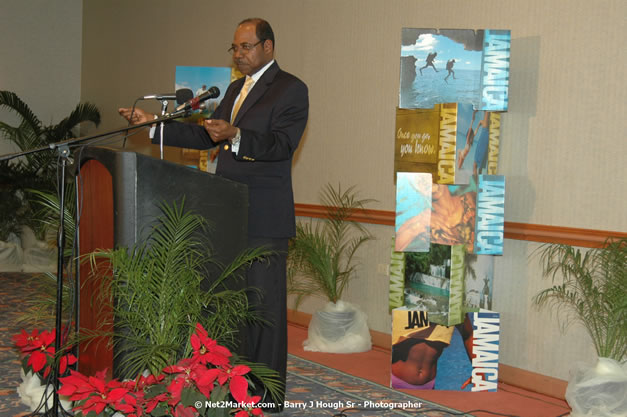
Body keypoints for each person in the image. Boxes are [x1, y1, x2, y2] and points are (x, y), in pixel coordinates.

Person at [118, 17, 309, 406]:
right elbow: (207, 134)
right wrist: (154, 127)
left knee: (263, 307)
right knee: (232, 305)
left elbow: (281, 145)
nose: (238, 55)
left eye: (246, 47)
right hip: (229, 210)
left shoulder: (290, 89)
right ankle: (234, 388)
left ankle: (266, 396)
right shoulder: (236, 89)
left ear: (268, 47)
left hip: (264, 215)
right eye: (234, 48)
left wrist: (236, 135)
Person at [391, 315, 474, 390]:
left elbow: (468, 334)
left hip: (429, 385)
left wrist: (478, 371)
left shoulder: (453, 305)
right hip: (396, 381)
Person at [457, 109, 490, 176]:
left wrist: (476, 122)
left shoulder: (469, 140)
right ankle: (460, 154)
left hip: (463, 155)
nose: (469, 135)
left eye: (469, 134)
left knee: (459, 167)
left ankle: (460, 153)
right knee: (459, 167)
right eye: (469, 134)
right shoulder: (469, 141)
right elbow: (473, 131)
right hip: (463, 154)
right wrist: (476, 122)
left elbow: (474, 131)